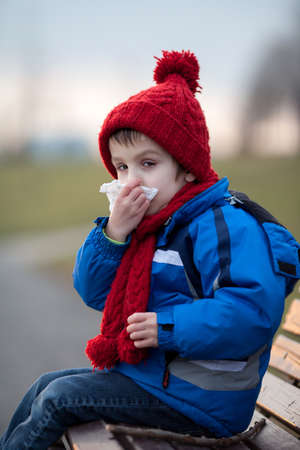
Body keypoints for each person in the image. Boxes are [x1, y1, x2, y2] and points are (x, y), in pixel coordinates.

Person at [1, 50, 299, 449]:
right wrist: (113, 234)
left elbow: (252, 314)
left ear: (187, 167)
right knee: (45, 385)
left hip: (201, 401)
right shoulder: (148, 226)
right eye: (121, 167)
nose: (130, 181)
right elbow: (93, 293)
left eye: (147, 163)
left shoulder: (222, 225)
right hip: (150, 381)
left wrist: (168, 326)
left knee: (58, 400)